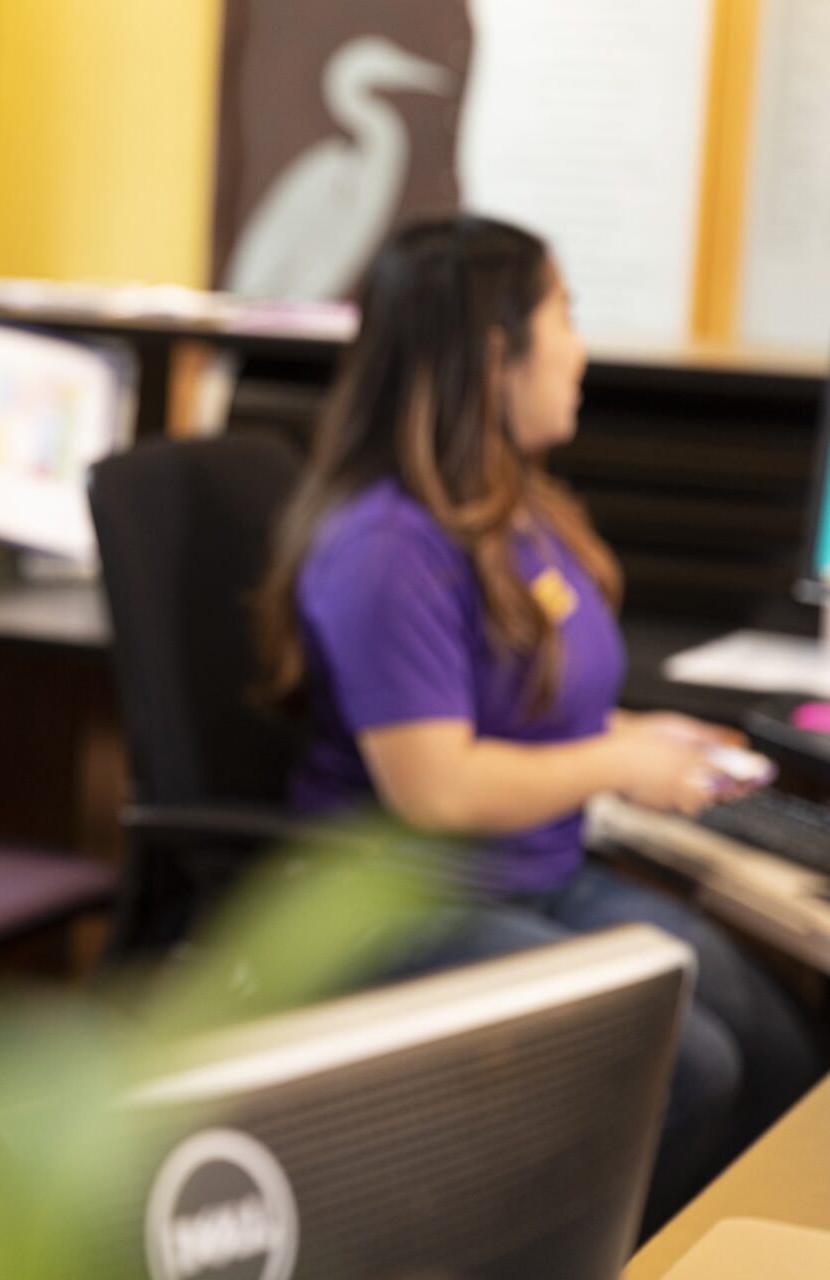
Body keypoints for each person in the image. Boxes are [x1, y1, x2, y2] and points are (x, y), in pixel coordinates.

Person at [256, 214, 822, 1226]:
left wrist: (646, 734)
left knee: (783, 1052)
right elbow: (436, 783)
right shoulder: (389, 542)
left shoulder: (516, 508)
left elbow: (529, 701)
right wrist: (617, 758)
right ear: (493, 351)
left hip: (540, 873)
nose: (580, 345)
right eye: (565, 312)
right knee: (685, 1069)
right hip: (404, 901)